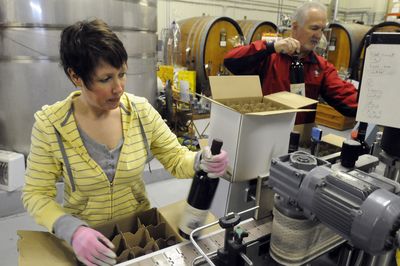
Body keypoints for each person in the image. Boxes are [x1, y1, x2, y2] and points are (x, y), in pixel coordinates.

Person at [22, 19, 228, 266]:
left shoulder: (140, 112)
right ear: (76, 76)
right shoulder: (51, 125)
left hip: (140, 233)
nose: (118, 87)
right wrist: (72, 230)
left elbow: (175, 158)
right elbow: (36, 194)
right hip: (89, 242)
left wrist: (199, 161)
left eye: (122, 74)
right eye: (105, 78)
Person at [224, 2, 358, 143]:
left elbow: (346, 98)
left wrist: (373, 107)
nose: (318, 36)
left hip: (299, 142)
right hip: (264, 138)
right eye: (314, 28)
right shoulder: (270, 57)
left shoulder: (320, 67)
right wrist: (270, 47)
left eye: (322, 30)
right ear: (295, 27)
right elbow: (231, 61)